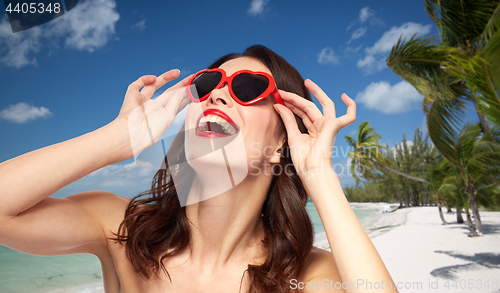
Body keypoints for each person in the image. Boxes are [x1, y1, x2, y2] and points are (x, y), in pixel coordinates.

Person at [0, 45, 397, 292]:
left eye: (246, 88)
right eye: (208, 85)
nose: (219, 94)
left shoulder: (307, 275)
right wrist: (118, 140)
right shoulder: (119, 228)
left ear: (282, 142)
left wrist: (319, 175)